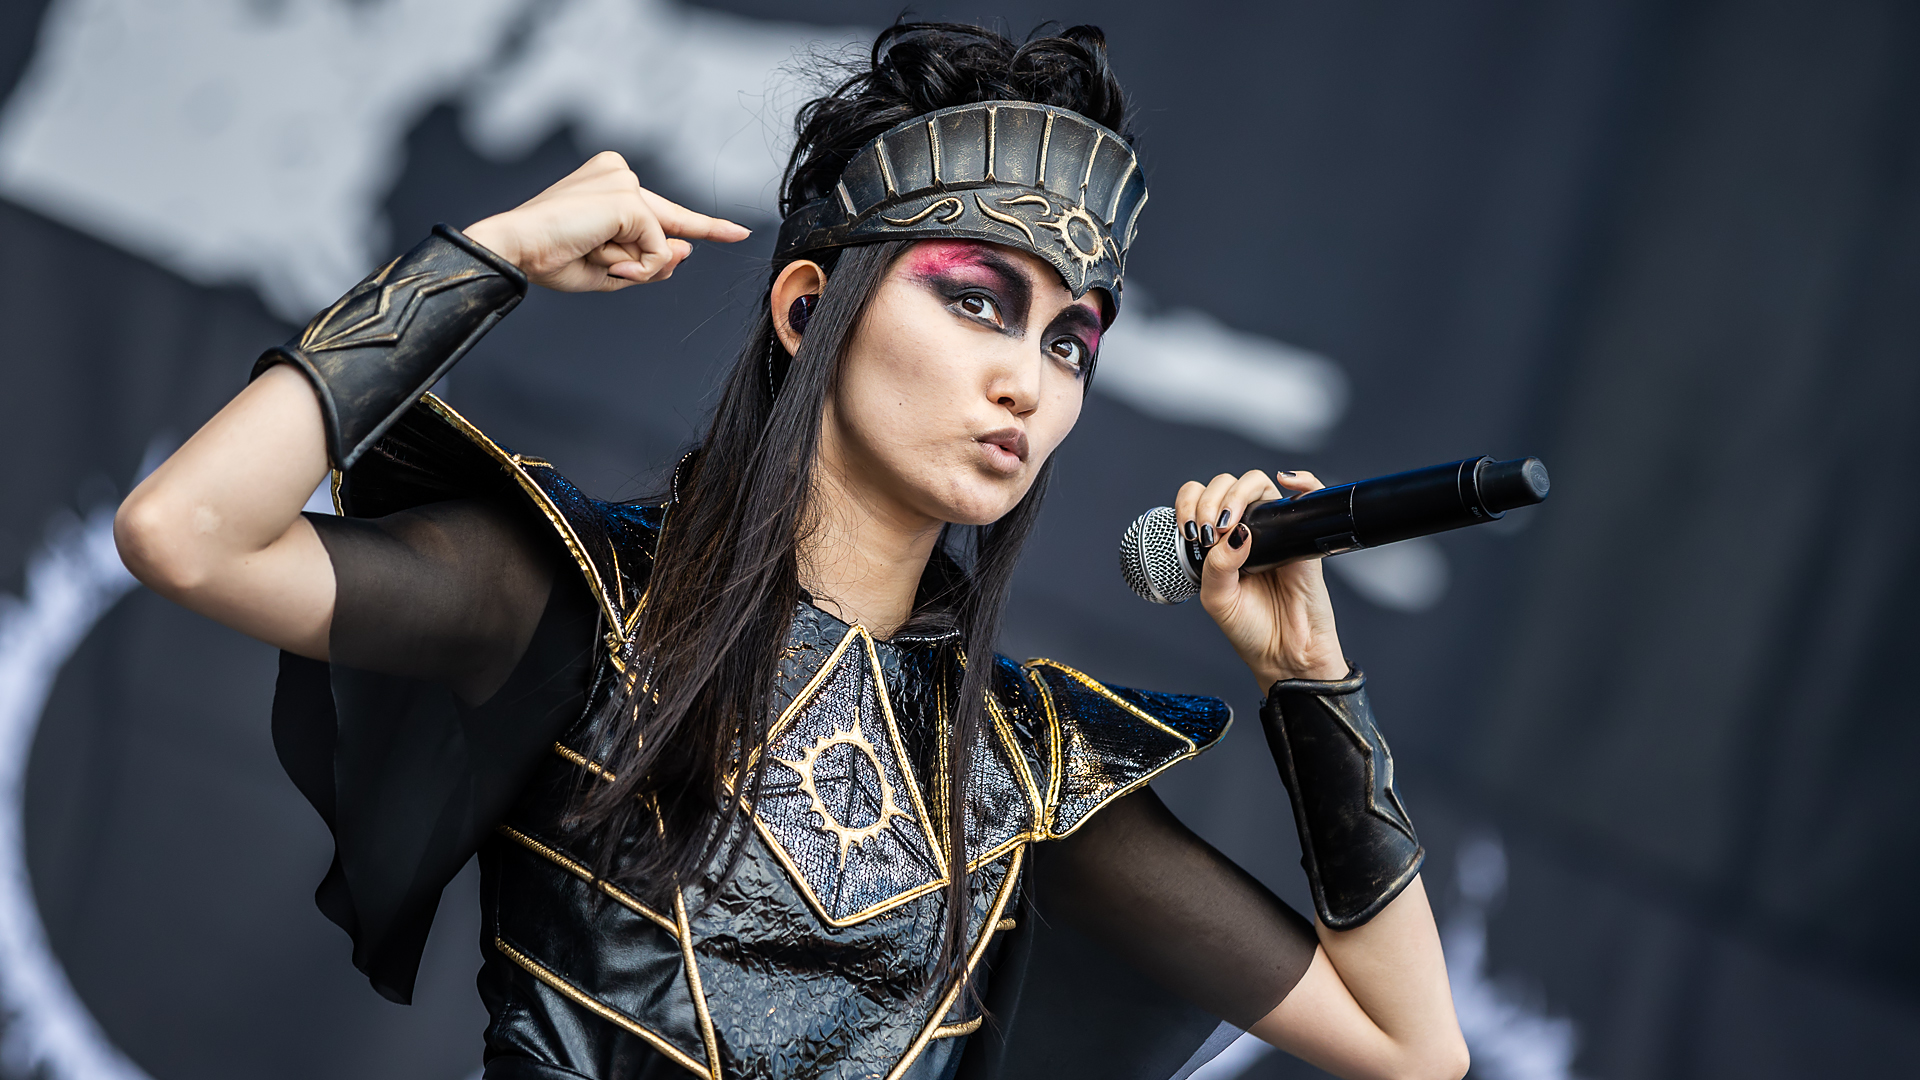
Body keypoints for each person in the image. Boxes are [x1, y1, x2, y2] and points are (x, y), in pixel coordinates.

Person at [114, 21, 1468, 1080]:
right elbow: (186, 535)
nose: (1029, 384)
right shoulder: (581, 600)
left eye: (1070, 342)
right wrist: (492, 256)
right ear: (809, 304)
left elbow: (1413, 1046)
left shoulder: (1018, 769)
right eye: (981, 304)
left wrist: (1310, 678)